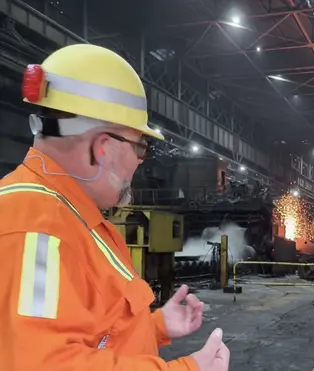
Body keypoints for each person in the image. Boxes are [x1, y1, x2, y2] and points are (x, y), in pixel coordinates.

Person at [0, 44, 230, 371]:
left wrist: (156, 326)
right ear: (102, 149)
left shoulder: (69, 219)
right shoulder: (39, 232)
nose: (139, 161)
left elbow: (90, 338)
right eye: (140, 146)